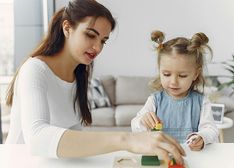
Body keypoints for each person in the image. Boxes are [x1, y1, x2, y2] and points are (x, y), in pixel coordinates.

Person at [5, 0, 185, 164]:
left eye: (103, 41)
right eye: (91, 35)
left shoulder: (78, 76)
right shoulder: (35, 69)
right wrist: (127, 140)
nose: (97, 47)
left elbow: (74, 134)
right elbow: (37, 139)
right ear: (67, 28)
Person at [131, 30, 219, 151]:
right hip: (161, 156)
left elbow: (211, 130)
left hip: (190, 157)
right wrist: (143, 120)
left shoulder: (201, 102)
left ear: (195, 74)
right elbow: (135, 126)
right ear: (160, 71)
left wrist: (202, 137)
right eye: (166, 74)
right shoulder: (155, 100)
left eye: (182, 76)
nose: (173, 82)